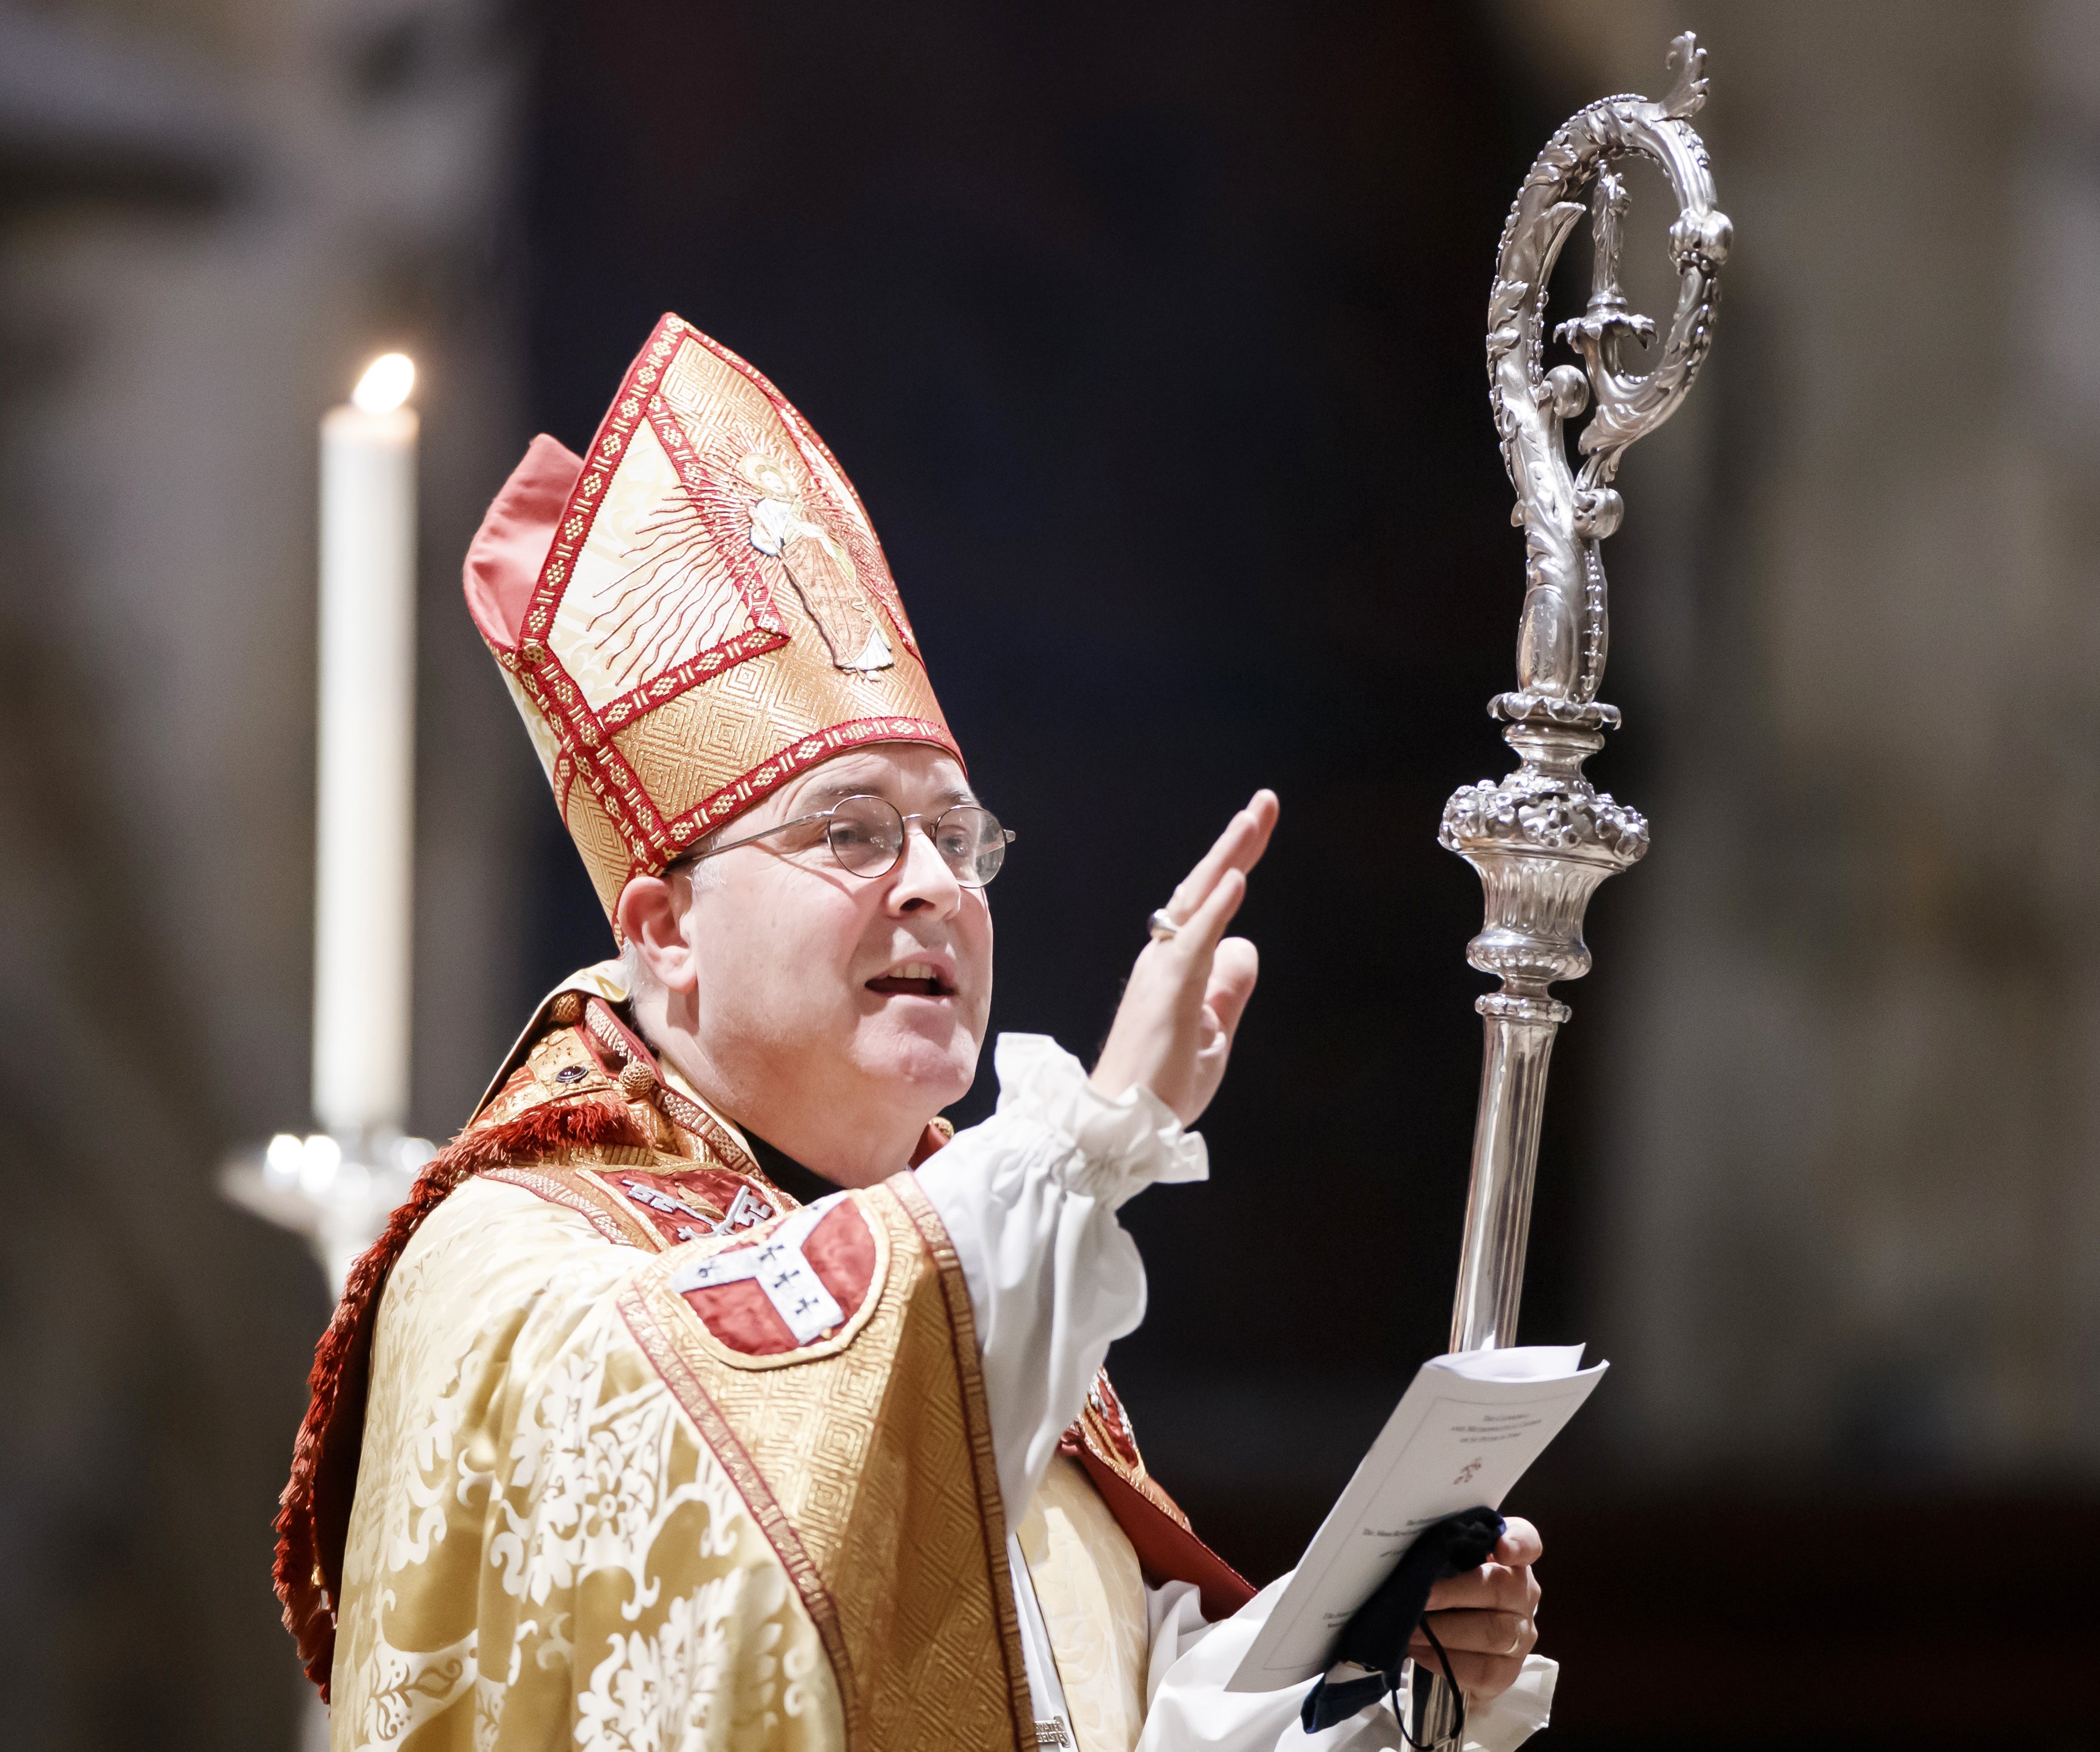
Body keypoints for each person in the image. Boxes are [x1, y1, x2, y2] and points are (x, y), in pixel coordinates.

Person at [275, 314, 1554, 1752]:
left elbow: (1102, 1717)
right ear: (663, 930)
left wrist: (1367, 1658)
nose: (938, 881)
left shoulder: (969, 1287)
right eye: (853, 830)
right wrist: (1084, 1142)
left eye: (958, 834)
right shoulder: (514, 1265)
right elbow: (754, 1520)